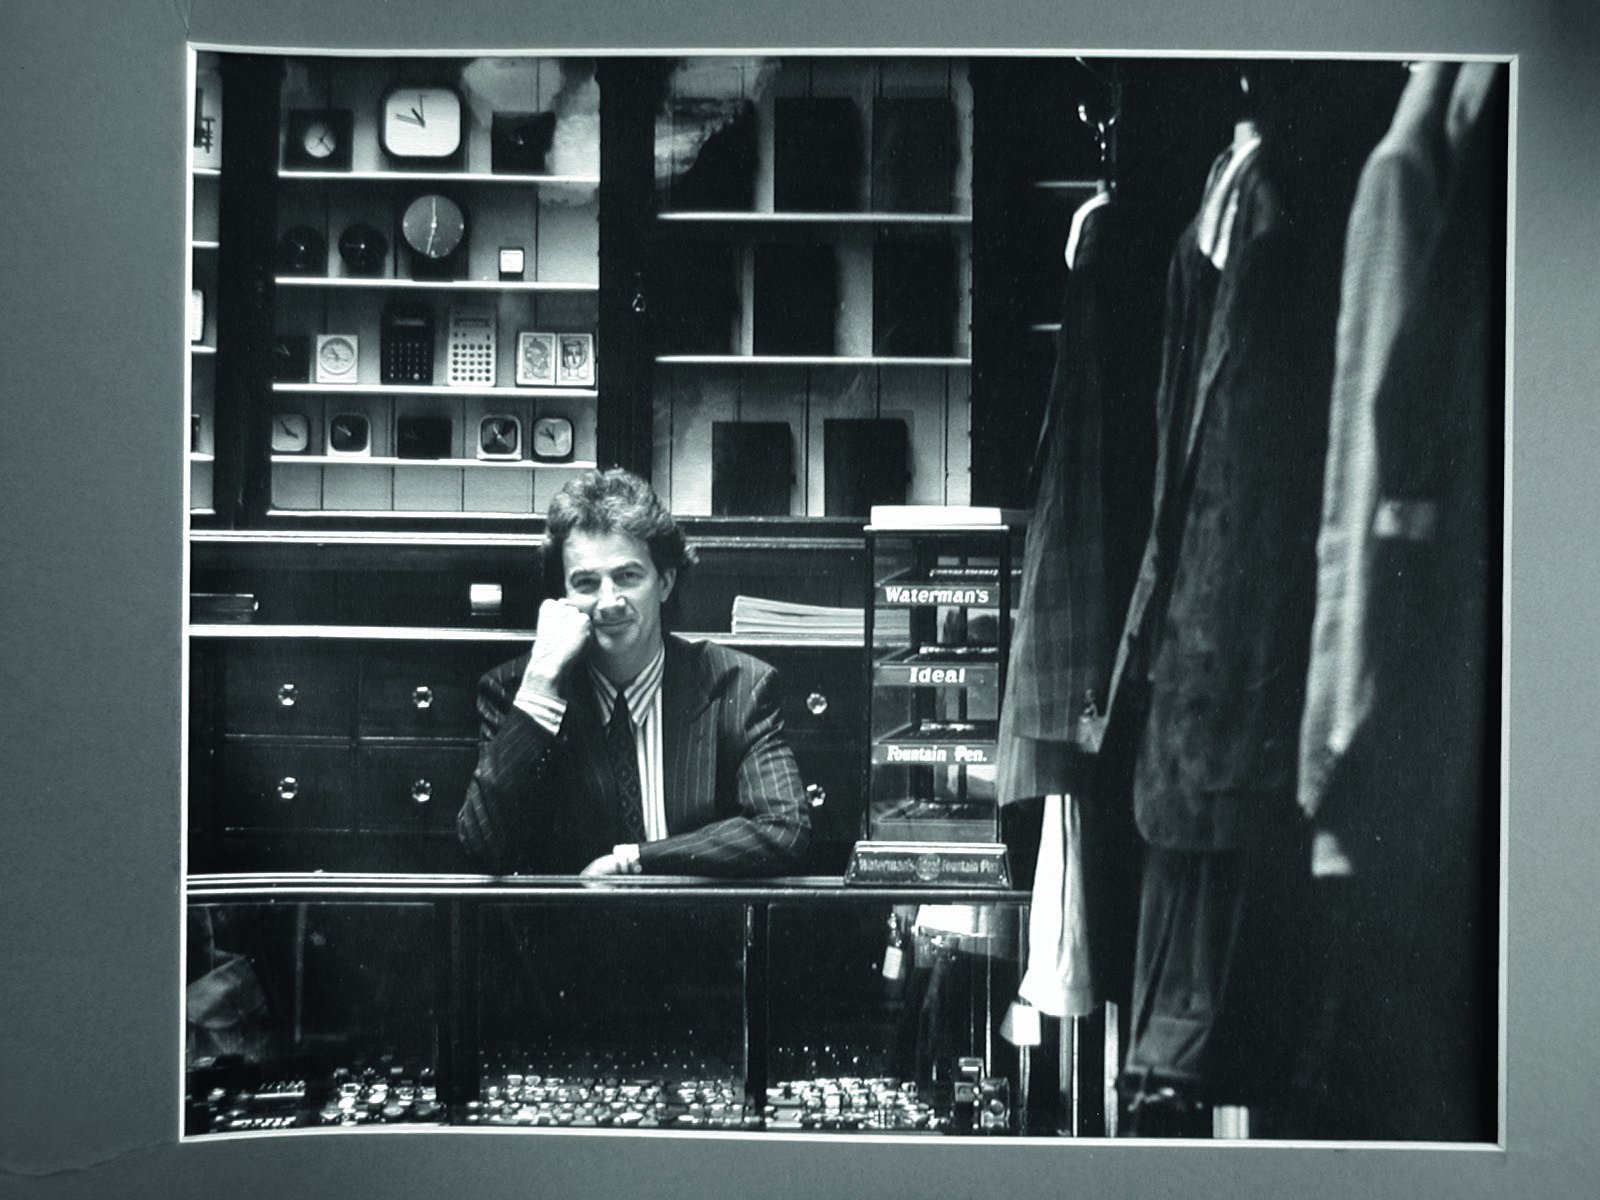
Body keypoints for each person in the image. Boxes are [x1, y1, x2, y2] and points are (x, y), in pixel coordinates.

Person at [457, 467, 809, 877]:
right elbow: (482, 848)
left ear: (664, 581)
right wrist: (539, 687)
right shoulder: (515, 690)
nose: (609, 602)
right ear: (563, 597)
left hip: (695, 933)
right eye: (586, 583)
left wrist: (633, 861)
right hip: (570, 934)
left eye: (627, 577)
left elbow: (783, 829)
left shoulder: (737, 685)